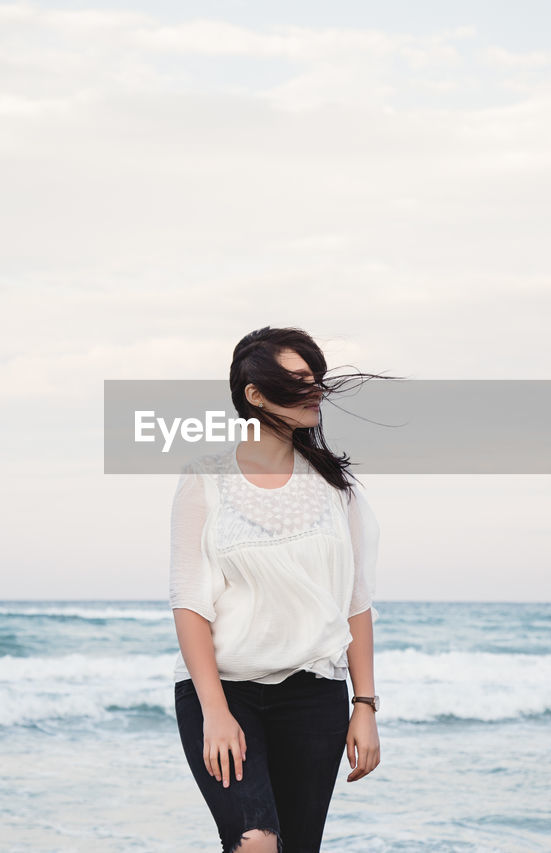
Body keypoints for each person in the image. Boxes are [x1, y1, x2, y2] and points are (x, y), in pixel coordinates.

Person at [170, 326, 388, 853]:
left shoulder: (338, 489)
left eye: (315, 379)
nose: (313, 390)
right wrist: (215, 712)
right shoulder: (206, 479)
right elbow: (190, 603)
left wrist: (365, 704)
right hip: (226, 691)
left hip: (315, 695)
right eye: (296, 381)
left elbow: (356, 604)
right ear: (254, 394)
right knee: (256, 843)